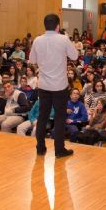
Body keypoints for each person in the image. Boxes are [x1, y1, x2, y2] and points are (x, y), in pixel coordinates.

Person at [28, 13, 79, 158]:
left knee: (42, 116)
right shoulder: (63, 39)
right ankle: (59, 150)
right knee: (59, 117)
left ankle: (40, 147)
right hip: (59, 86)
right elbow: (75, 56)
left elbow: (32, 59)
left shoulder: (38, 40)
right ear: (58, 26)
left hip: (43, 85)